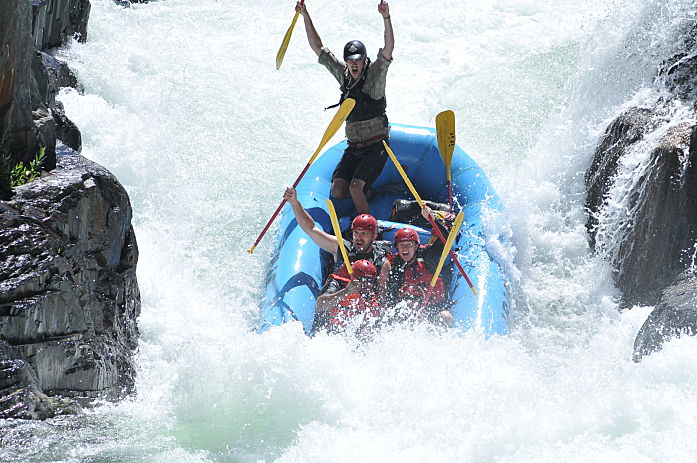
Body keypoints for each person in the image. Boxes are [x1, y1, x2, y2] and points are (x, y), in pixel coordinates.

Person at [294, 1, 394, 215]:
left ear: (364, 59)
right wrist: (305, 15)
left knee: (354, 188)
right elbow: (318, 48)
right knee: (338, 191)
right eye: (350, 60)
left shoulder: (375, 76)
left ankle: (367, 229)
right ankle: (368, 196)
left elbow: (388, 49)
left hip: (376, 147)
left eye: (357, 60)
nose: (353, 64)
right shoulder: (345, 76)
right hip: (354, 147)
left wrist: (386, 17)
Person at [283, 186, 392, 296]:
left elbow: (382, 297)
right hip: (338, 299)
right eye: (356, 233)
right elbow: (311, 229)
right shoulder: (342, 247)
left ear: (374, 236)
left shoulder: (381, 261)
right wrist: (294, 202)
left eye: (364, 233)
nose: (358, 237)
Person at [380, 208, 454, 326]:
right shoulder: (394, 264)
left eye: (409, 245)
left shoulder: (427, 255)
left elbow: (445, 240)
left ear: (416, 247)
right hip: (408, 309)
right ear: (396, 248)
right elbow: (391, 294)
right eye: (401, 245)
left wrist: (432, 220)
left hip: (433, 307)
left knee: (446, 317)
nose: (405, 248)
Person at [315, 259, 381, 334]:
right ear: (354, 277)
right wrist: (346, 291)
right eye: (362, 280)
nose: (365, 284)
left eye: (369, 281)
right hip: (326, 333)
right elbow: (320, 305)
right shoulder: (337, 284)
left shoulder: (370, 297)